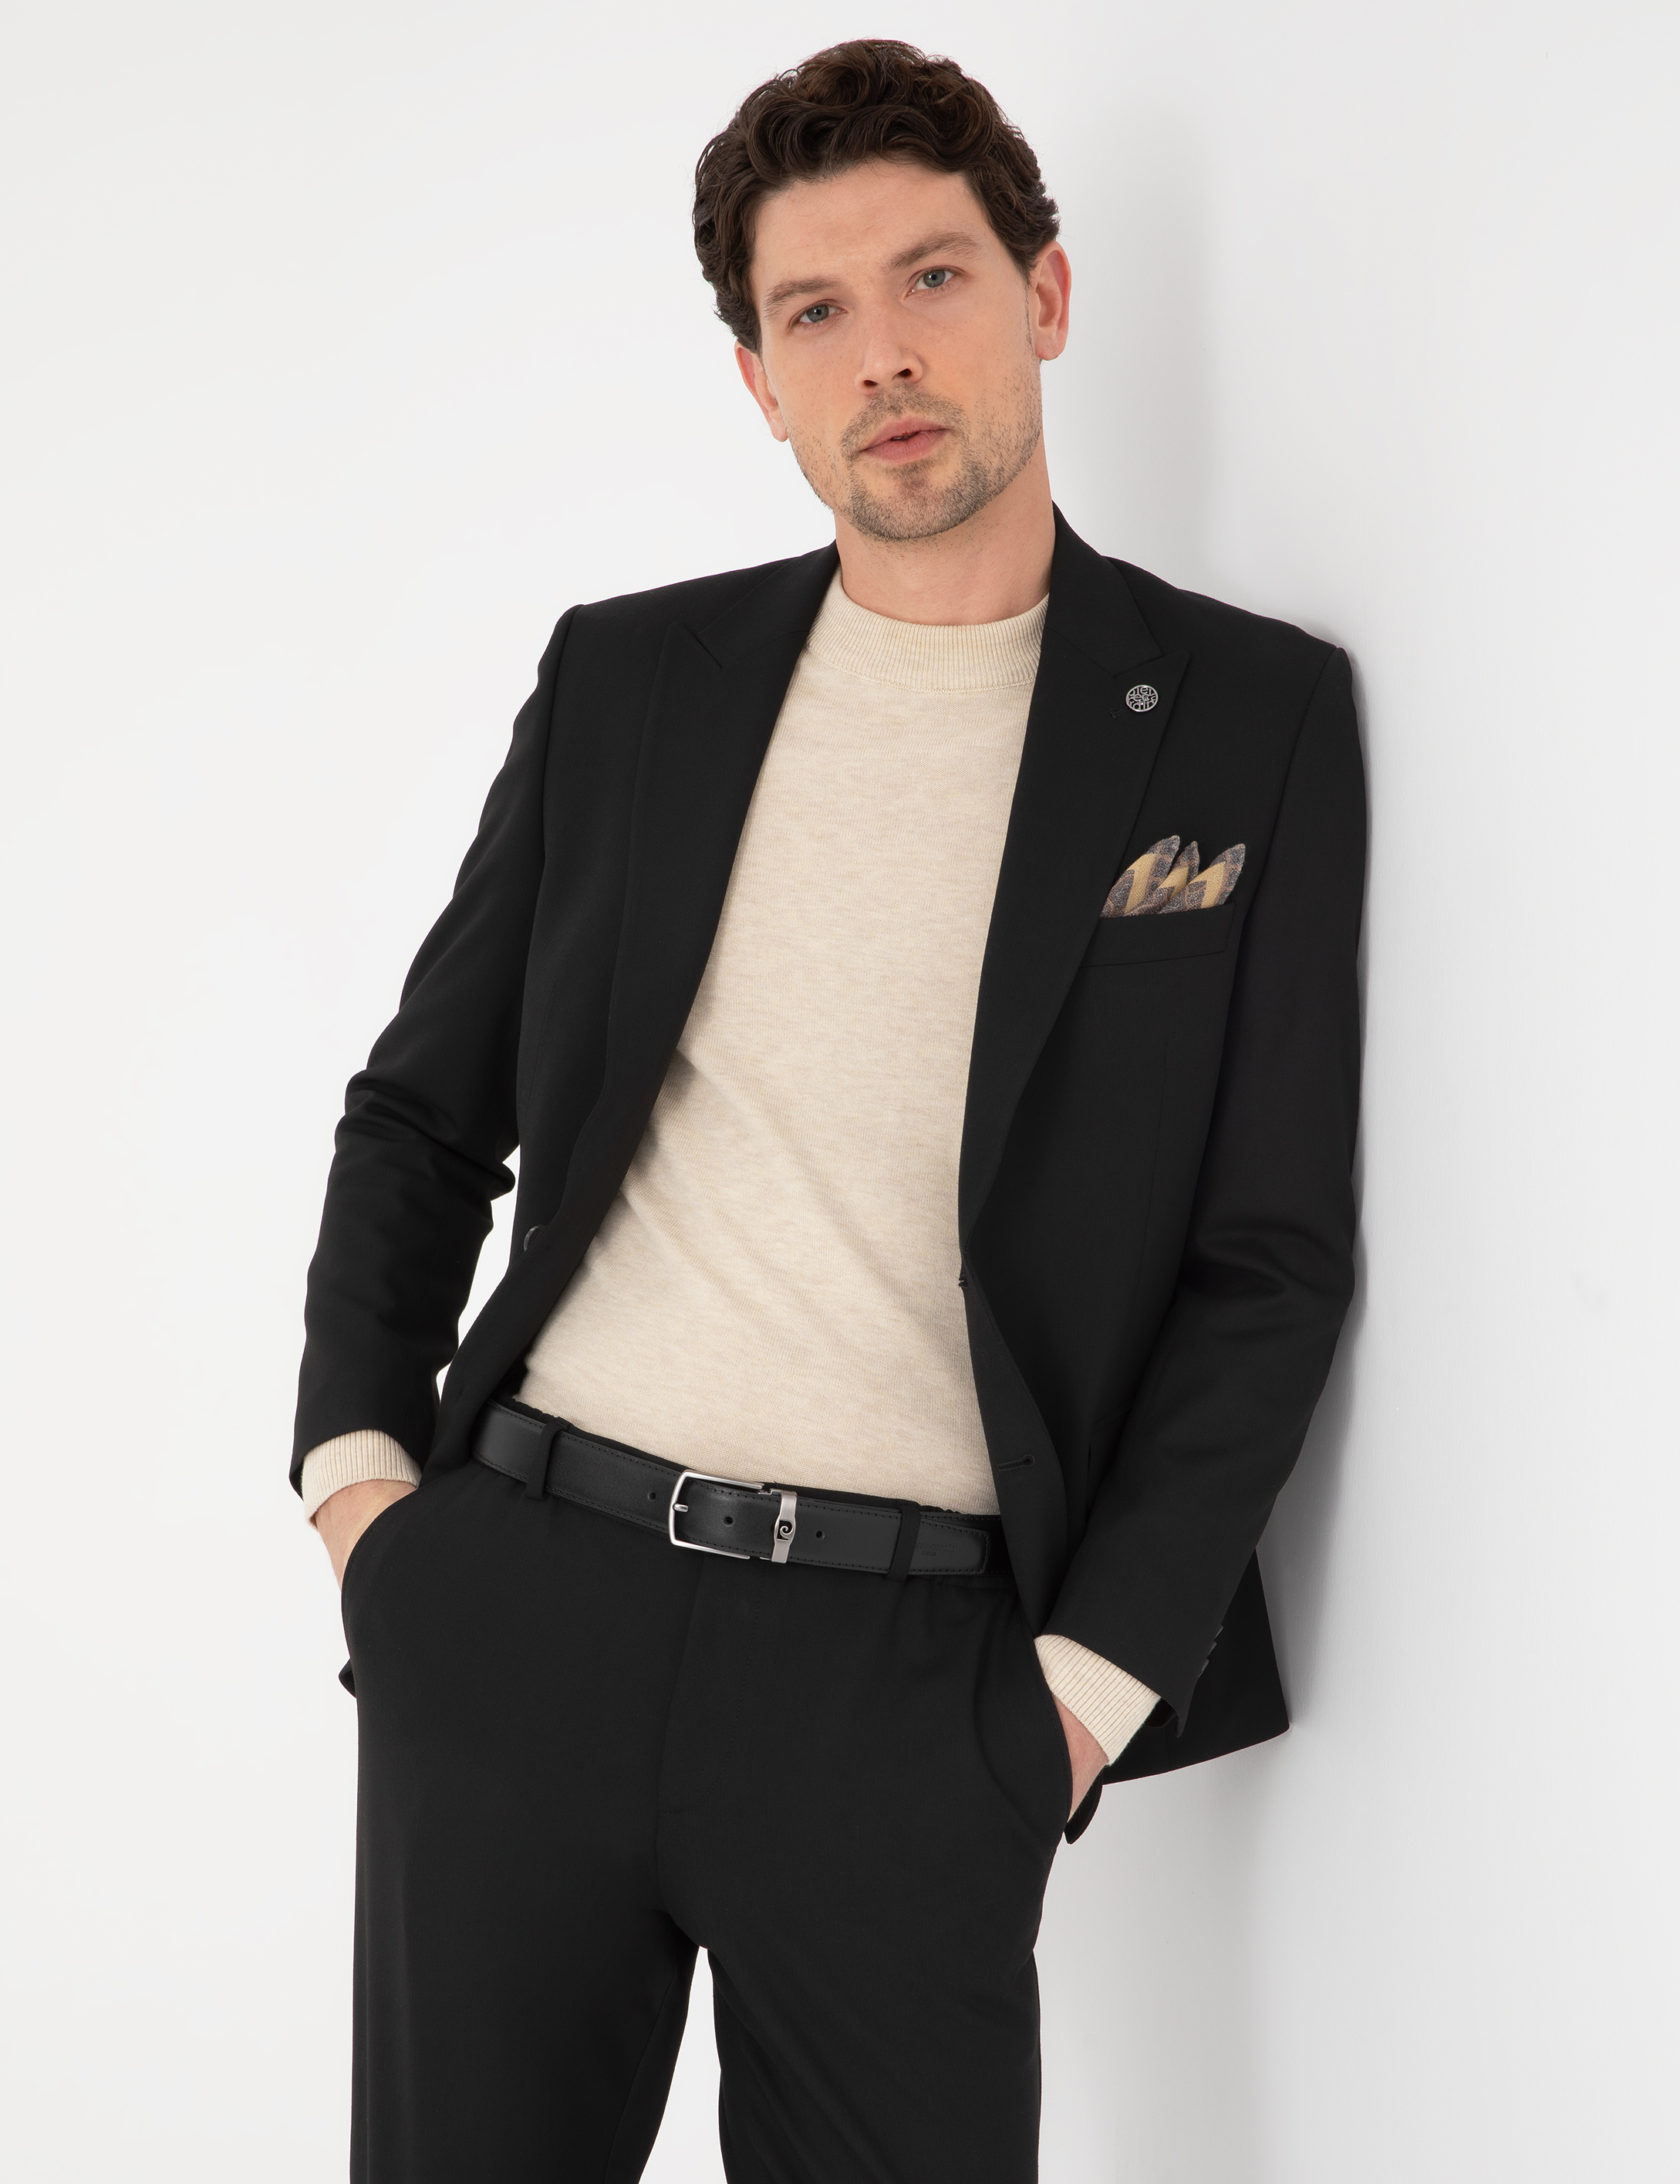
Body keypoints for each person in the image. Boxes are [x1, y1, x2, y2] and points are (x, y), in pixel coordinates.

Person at [294, 38, 1365, 2183]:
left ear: (1043, 298)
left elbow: (1266, 1262)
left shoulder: (1241, 718)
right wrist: (363, 1499)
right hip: (521, 1616)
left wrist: (1078, 1693)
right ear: (759, 384)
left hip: (918, 1689)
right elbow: (421, 1111)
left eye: (932, 279)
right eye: (813, 312)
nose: (882, 354)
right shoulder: (630, 680)